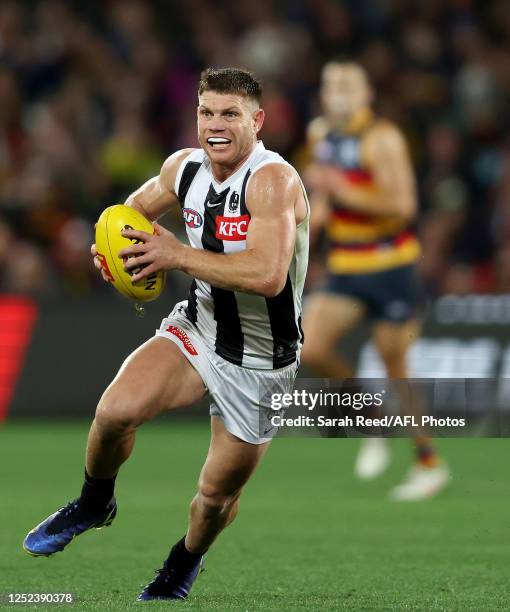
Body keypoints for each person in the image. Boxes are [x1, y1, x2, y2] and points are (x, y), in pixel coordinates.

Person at [23, 67, 309, 600]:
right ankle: (93, 503)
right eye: (206, 112)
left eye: (230, 114)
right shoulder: (183, 168)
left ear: (258, 121)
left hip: (262, 361)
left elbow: (269, 276)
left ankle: (184, 561)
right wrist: (113, 250)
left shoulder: (274, 181)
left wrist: (175, 254)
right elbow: (126, 213)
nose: (215, 125)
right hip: (198, 327)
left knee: (214, 498)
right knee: (113, 412)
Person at [301, 61, 450, 501]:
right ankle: (371, 418)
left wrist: (340, 188)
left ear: (366, 94)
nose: (339, 93)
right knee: (310, 347)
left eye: (348, 85)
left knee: (395, 365)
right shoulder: (320, 134)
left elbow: (403, 205)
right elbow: (324, 199)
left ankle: (428, 461)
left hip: (391, 267)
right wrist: (303, 229)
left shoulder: (382, 138)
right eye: (331, 86)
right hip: (347, 266)